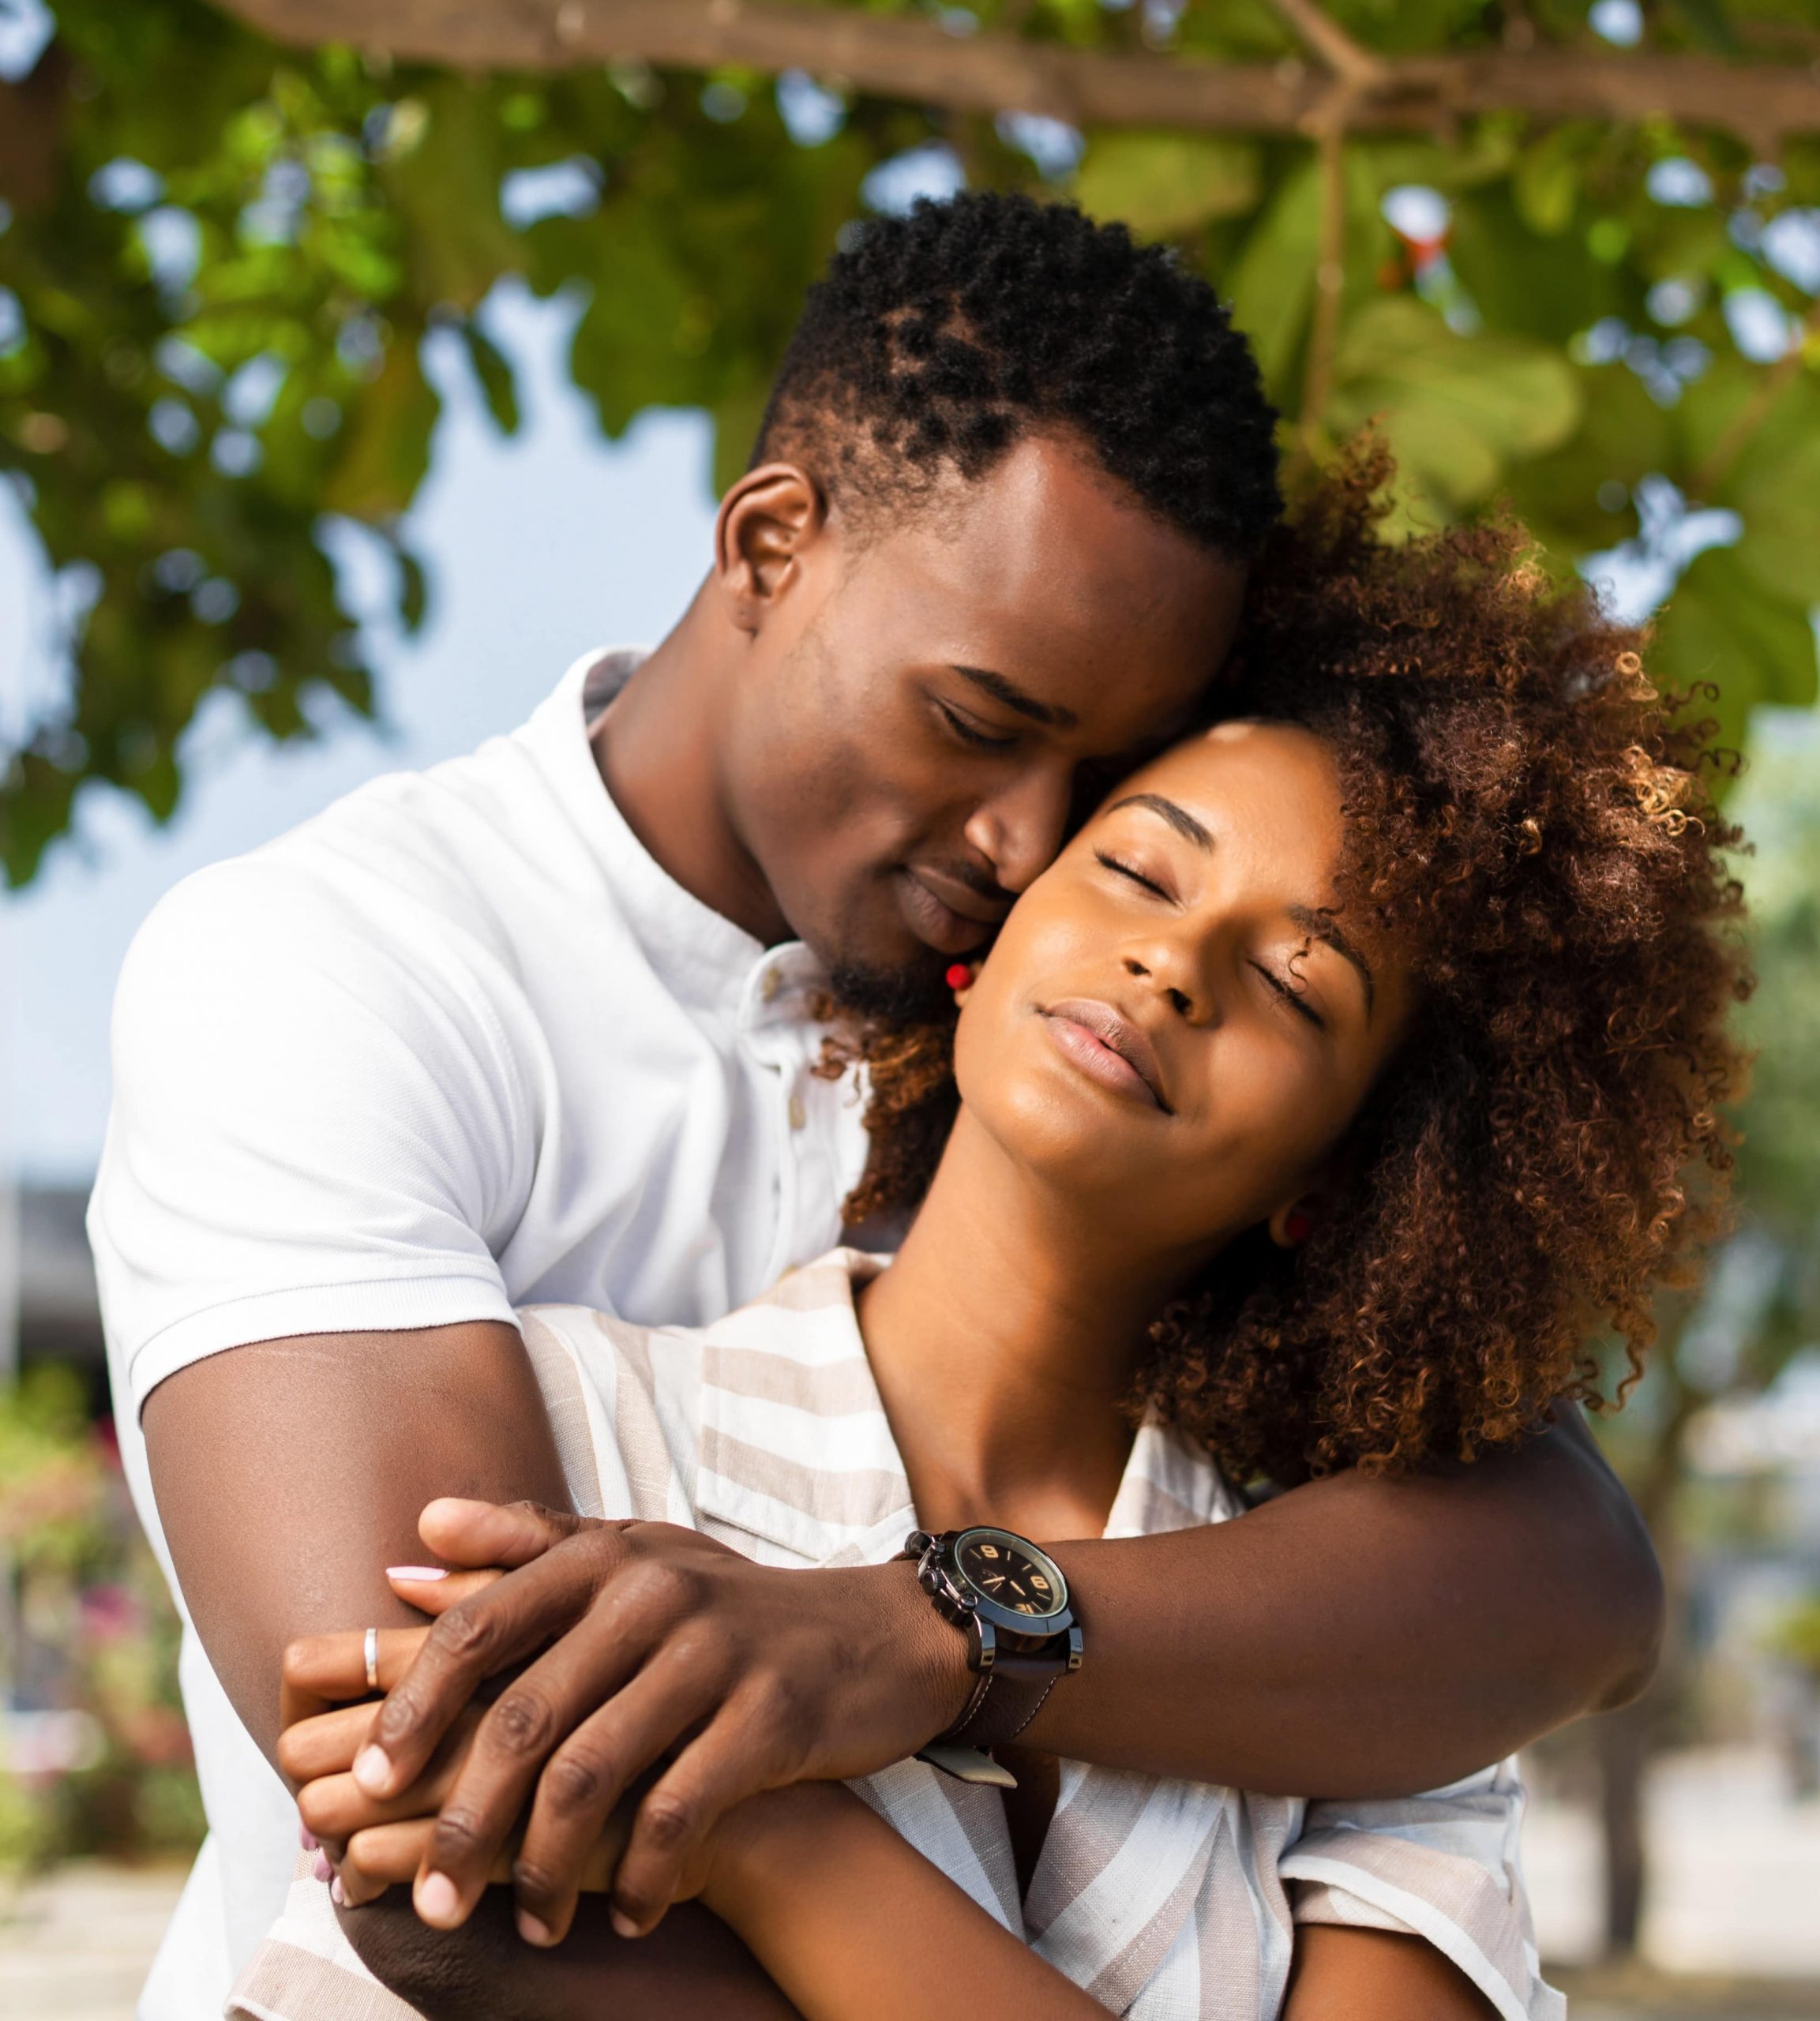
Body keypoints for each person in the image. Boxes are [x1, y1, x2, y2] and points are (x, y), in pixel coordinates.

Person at [92, 195, 1661, 2019]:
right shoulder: (336, 967)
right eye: (982, 719)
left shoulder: (1065, 1047)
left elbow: (1568, 1578)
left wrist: (917, 1631)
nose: (1025, 840)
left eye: (1098, 776)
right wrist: (768, 1792)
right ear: (770, 540)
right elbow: (463, 1810)